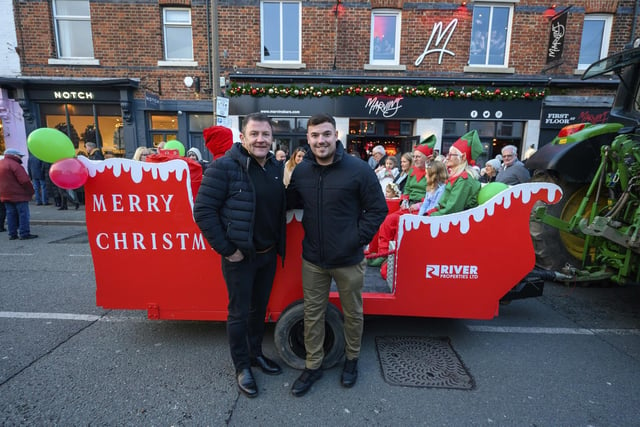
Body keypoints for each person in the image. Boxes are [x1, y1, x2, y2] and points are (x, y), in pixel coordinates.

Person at [286, 113, 387, 396]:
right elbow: (289, 201)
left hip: (349, 259)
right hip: (314, 260)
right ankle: (313, 365)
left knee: (353, 313)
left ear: (336, 136)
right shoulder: (302, 171)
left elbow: (378, 209)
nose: (321, 140)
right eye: (315, 136)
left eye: (326, 134)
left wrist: (356, 239)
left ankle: (351, 361)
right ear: (308, 139)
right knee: (312, 315)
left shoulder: (358, 169)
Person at [193, 113, 286, 399]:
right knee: (238, 313)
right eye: (254, 133)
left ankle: (256, 354)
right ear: (242, 137)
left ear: (272, 139)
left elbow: (279, 202)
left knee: (259, 310)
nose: (260, 139)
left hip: (268, 255)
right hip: (239, 257)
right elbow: (203, 212)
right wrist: (228, 250)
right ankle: (242, 366)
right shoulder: (224, 167)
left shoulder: (274, 167)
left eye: (265, 134)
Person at [369, 138, 435, 260]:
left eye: (418, 157)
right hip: (408, 206)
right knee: (387, 221)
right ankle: (382, 254)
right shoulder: (412, 172)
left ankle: (396, 257)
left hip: (421, 209)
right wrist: (404, 200)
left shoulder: (432, 173)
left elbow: (433, 195)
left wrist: (420, 204)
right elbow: (407, 189)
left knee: (401, 224)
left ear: (427, 158)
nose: (415, 159)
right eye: (414, 157)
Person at [424, 130, 483, 216]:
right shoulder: (457, 178)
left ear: (462, 157)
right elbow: (442, 205)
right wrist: (429, 213)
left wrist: (430, 216)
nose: (447, 158)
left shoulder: (463, 180)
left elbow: (452, 209)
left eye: (451, 155)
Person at [0, 149, 38, 240]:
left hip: (5, 194)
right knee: (23, 214)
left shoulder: (1, 163)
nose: (21, 157)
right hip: (19, 195)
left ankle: (12, 234)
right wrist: (31, 191)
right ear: (15, 155)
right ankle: (24, 233)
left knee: (10, 214)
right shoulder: (15, 165)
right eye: (20, 156)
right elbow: (24, 181)